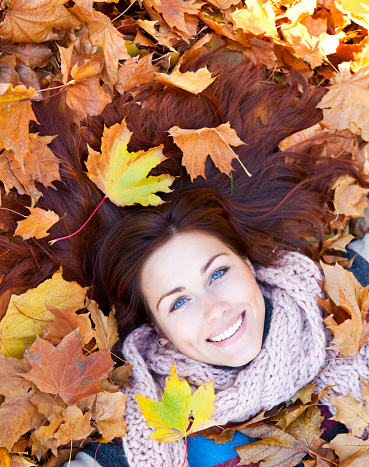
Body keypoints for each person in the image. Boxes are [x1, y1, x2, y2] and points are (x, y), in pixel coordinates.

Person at [0, 57, 368, 467]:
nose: (216, 309)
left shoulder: (347, 294)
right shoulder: (137, 432)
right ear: (155, 329)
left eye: (218, 273)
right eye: (178, 302)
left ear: (246, 261)